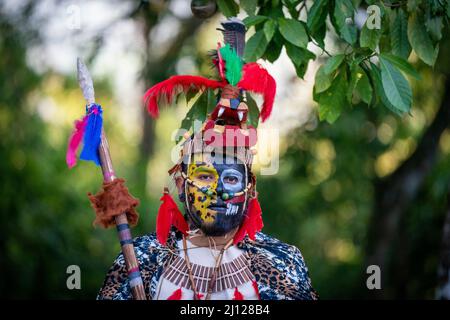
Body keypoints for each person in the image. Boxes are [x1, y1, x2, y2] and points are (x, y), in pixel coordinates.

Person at [95, 18, 317, 300]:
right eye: (204, 176)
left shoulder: (284, 263)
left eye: (233, 178)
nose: (220, 191)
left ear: (252, 188)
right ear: (180, 183)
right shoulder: (140, 259)